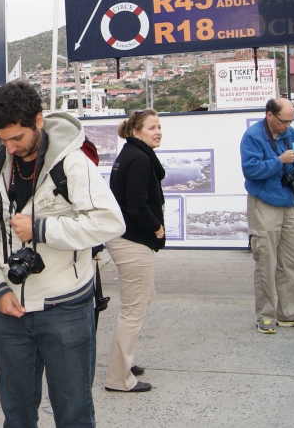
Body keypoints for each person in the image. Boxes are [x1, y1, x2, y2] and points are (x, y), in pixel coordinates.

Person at [0, 80, 126, 428]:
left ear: (38, 120)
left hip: (66, 308)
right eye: (1, 139)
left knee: (74, 415)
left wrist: (42, 229)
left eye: (17, 138)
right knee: (17, 418)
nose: (10, 148)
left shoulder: (73, 164)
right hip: (8, 310)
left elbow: (110, 222)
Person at [241, 97, 294, 334]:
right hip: (264, 203)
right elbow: (250, 170)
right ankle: (265, 315)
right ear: (269, 115)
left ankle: (290, 313)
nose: (287, 126)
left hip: (289, 202)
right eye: (284, 121)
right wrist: (278, 161)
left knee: (293, 260)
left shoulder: (291, 133)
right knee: (266, 260)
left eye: (291, 121)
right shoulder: (252, 136)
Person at [104, 109, 165, 393]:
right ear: (136, 132)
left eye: (159, 127)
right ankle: (119, 378)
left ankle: (124, 361)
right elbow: (137, 204)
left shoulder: (133, 153)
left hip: (127, 238)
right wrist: (157, 228)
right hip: (133, 241)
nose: (158, 132)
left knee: (144, 297)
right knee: (133, 310)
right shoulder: (139, 158)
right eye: (152, 127)